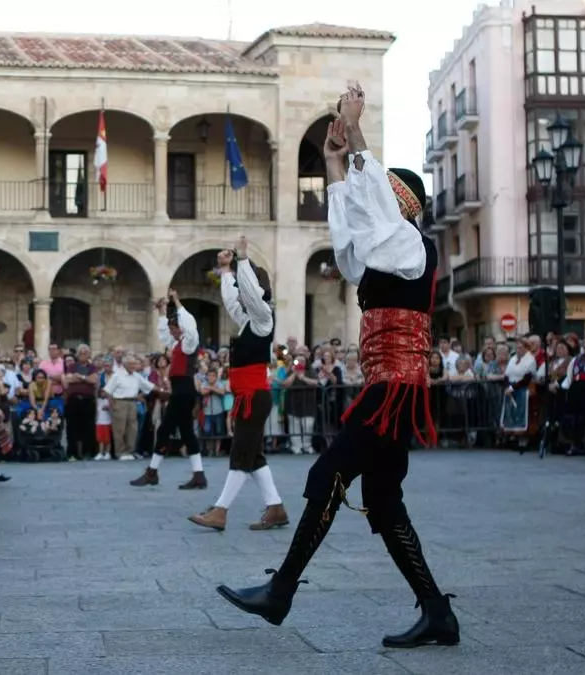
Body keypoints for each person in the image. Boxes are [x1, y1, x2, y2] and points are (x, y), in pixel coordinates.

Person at [217, 87, 460, 649]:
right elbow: (351, 232)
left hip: (394, 387)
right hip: (387, 385)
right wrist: (333, 161)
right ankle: (436, 613)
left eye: (380, 193)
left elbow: (372, 202)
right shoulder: (383, 251)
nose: (368, 197)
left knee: (329, 475)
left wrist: (354, 135)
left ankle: (280, 590)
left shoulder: (411, 245)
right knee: (382, 498)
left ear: (402, 204)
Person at [189, 237, 289, 531]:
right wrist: (226, 270)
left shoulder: (263, 318)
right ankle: (276, 508)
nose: (242, 296)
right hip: (249, 397)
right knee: (253, 455)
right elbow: (233, 300)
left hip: (253, 398)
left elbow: (250, 297)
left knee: (240, 455)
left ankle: (220, 511)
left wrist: (242, 260)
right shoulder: (249, 321)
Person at [129, 289, 204, 488]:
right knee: (186, 432)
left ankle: (152, 472)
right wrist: (162, 310)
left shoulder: (189, 342)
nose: (171, 331)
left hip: (183, 390)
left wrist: (177, 301)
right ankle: (198, 475)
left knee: (164, 430)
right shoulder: (178, 342)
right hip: (182, 390)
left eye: (174, 328)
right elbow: (163, 334)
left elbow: (190, 325)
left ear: (180, 328)